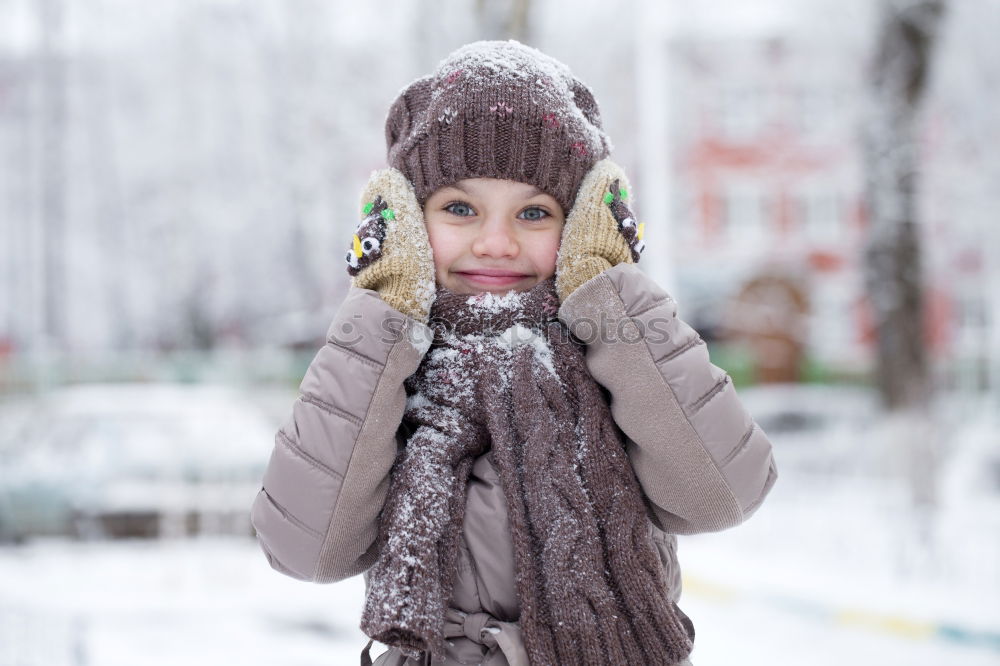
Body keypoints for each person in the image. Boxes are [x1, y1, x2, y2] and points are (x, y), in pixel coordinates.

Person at [250, 40, 778, 666]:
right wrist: (385, 310)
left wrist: (607, 295)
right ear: (409, 221)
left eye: (534, 212)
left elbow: (721, 494)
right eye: (459, 208)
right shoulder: (388, 364)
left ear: (581, 222)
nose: (496, 242)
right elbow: (305, 548)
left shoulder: (617, 348)